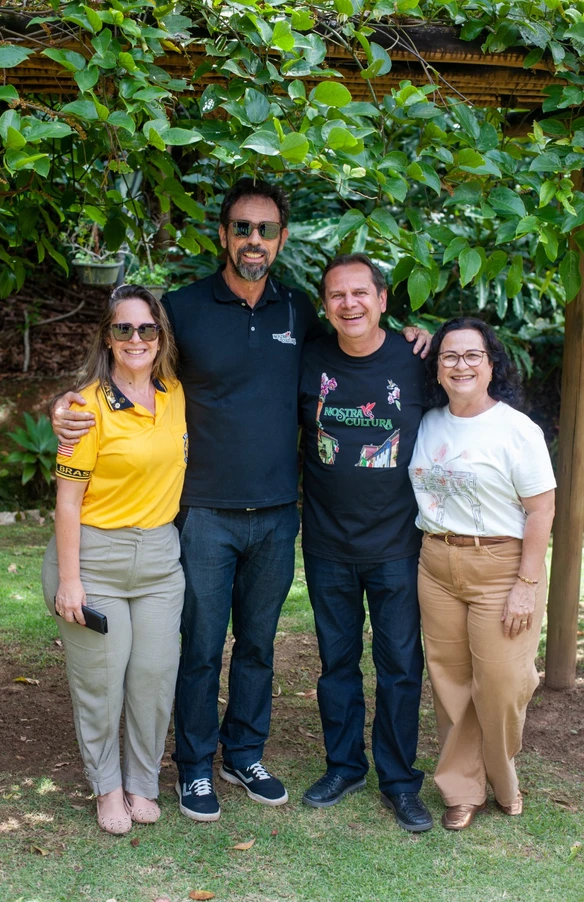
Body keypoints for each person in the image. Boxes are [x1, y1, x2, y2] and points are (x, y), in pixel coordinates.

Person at [52, 179, 430, 823]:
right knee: (200, 644)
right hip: (202, 513)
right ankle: (194, 767)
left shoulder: (299, 312)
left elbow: (357, 339)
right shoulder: (183, 308)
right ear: (224, 235)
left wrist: (413, 332)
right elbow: (132, 361)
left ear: (280, 239)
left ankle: (243, 752)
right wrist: (68, 405)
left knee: (257, 643)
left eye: (265, 230)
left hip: (280, 513)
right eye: (242, 228)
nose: (253, 240)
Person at [42, 285, 186, 835]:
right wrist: (71, 582)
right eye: (123, 328)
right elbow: (67, 500)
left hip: (158, 559)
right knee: (101, 683)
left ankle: (142, 783)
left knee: (152, 676)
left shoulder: (175, 394)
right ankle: (106, 788)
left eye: (146, 328)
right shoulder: (83, 407)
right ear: (108, 336)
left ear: (160, 337)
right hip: (95, 556)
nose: (136, 338)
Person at [298, 253, 433, 832]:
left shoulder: (417, 359)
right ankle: (344, 765)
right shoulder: (307, 359)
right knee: (338, 662)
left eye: (360, 293)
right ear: (325, 305)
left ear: (382, 299)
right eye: (337, 295)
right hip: (327, 542)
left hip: (398, 544)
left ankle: (400, 781)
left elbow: (475, 389)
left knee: (401, 665)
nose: (349, 304)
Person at [408, 317, 555, 831]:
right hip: (437, 563)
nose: (461, 365)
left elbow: (541, 511)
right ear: (438, 367)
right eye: (449, 356)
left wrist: (526, 584)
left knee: (502, 681)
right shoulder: (427, 423)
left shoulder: (517, 430)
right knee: (450, 682)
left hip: (500, 567)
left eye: (473, 355)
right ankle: (461, 789)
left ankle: (503, 775)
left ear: (492, 364)